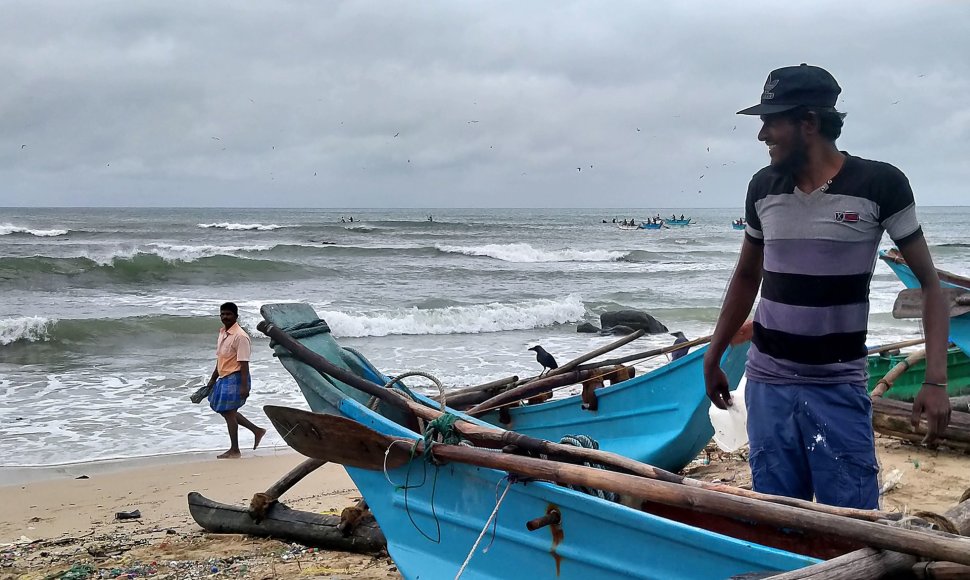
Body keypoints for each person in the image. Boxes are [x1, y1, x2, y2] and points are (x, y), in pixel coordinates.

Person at [703, 64, 950, 509]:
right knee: (779, 520)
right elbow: (746, 276)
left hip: (837, 386)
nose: (762, 135)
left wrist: (935, 380)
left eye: (771, 121)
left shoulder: (880, 184)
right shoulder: (763, 187)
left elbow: (932, 287)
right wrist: (714, 353)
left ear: (809, 123)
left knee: (852, 523)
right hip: (767, 384)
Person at [205, 302, 266, 459]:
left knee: (229, 412)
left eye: (229, 314)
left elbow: (244, 363)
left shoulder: (240, 336)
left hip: (236, 377)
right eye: (223, 314)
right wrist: (213, 379)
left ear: (236, 316)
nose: (225, 317)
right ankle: (257, 430)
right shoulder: (222, 333)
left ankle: (235, 449)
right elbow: (220, 359)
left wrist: (244, 387)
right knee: (227, 411)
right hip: (224, 377)